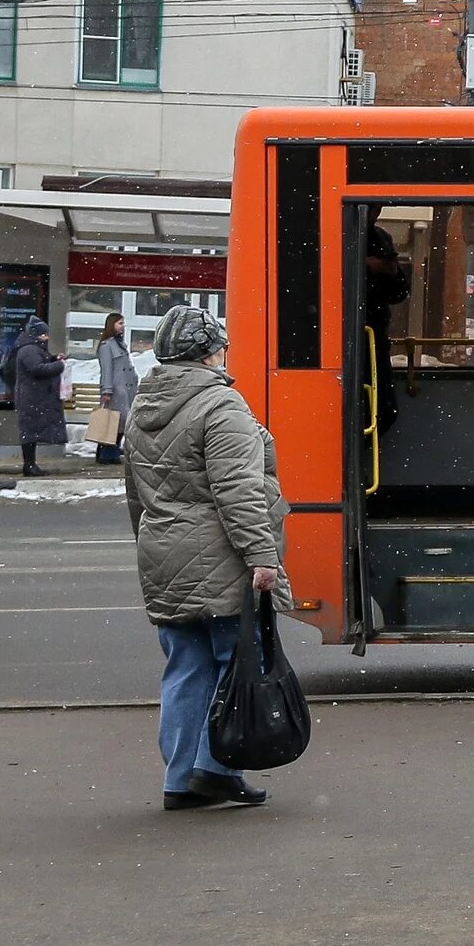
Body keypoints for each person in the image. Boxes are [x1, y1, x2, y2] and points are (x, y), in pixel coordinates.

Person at [123, 305, 290, 811]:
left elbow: (135, 492)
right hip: (218, 552)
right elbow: (239, 491)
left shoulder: (143, 408)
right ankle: (215, 769)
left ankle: (179, 778)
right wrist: (262, 556)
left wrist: (152, 542)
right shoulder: (222, 406)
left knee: (185, 667)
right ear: (208, 352)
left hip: (162, 550)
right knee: (234, 660)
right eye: (220, 345)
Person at [360, 224, 411, 430]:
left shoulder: (381, 237)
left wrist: (392, 272)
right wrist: (366, 267)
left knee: (385, 410)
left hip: (376, 338)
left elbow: (398, 294)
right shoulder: (343, 232)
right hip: (348, 336)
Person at [9, 316, 66, 476]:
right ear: (36, 334)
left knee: (31, 431)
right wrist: (59, 365)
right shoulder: (29, 349)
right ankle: (29, 465)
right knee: (29, 432)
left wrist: (54, 358)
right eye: (44, 334)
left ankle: (30, 465)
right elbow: (37, 369)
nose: (47, 337)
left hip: (33, 397)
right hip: (31, 397)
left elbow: (40, 363)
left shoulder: (32, 348)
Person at [93, 313, 139, 465]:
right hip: (116, 390)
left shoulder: (119, 344)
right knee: (113, 423)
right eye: (120, 323)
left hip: (125, 389)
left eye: (123, 323)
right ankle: (108, 453)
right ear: (112, 324)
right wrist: (107, 390)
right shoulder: (107, 345)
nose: (123, 325)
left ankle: (110, 451)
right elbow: (107, 370)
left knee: (118, 422)